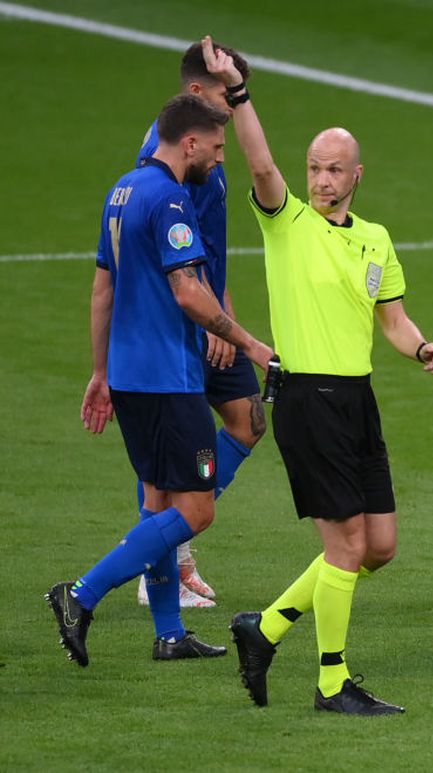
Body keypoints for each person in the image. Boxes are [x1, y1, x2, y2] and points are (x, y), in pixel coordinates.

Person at [198, 37, 433, 716]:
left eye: (334, 170)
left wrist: (424, 348)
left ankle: (265, 626)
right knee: (345, 546)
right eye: (314, 168)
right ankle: (332, 683)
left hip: (358, 400)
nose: (321, 180)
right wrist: (239, 93)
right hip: (307, 398)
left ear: (356, 175)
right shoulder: (287, 222)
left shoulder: (376, 239)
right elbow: (260, 162)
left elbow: (393, 321)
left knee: (379, 547)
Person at [50, 93, 275, 667]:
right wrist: (249, 343)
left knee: (157, 502)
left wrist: (100, 371)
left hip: (129, 376)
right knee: (196, 511)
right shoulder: (171, 199)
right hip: (168, 380)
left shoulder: (121, 191)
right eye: (216, 147)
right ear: (189, 142)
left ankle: (170, 634)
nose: (219, 159)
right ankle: (80, 594)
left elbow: (102, 290)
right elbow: (188, 292)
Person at [132, 39, 263, 611]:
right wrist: (210, 320)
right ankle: (158, 563)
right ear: (194, 92)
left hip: (210, 311)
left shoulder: (208, 147)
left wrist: (224, 313)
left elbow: (207, 243)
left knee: (248, 420)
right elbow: (177, 256)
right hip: (181, 323)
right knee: (165, 461)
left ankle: (169, 545)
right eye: (225, 95)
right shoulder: (171, 161)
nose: (233, 107)